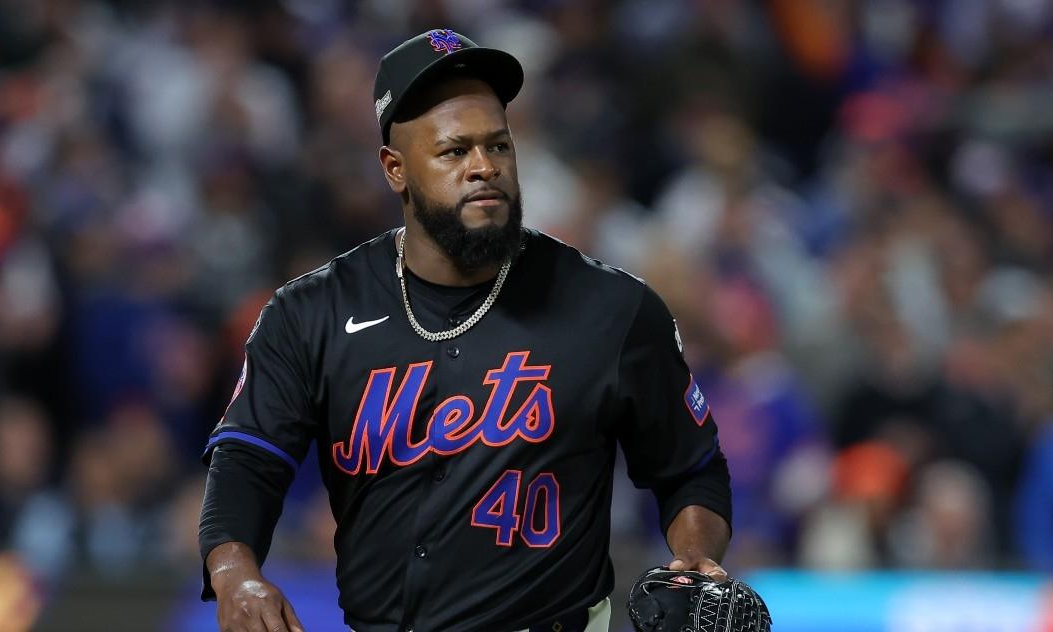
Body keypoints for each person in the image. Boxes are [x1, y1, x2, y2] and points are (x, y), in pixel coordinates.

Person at [198, 29, 732, 632]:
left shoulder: (612, 308)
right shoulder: (311, 312)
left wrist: (695, 557)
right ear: (395, 169)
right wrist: (234, 572)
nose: (485, 168)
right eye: (455, 152)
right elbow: (247, 459)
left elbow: (690, 468)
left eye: (498, 146)